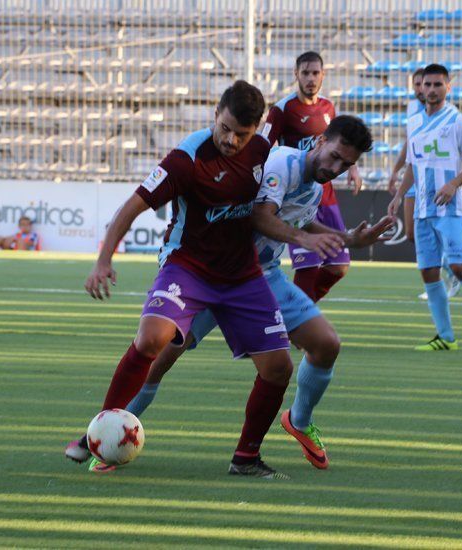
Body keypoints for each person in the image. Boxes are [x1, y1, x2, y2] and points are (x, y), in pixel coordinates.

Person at [87, 116, 393, 473]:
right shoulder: (281, 163)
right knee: (160, 359)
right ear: (321, 140)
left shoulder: (311, 184)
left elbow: (298, 220)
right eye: (335, 156)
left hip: (261, 276)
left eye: (347, 164)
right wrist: (306, 240)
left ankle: (297, 420)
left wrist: (350, 239)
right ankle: (107, 441)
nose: (337, 168)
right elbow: (262, 217)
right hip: (214, 273)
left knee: (326, 344)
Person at [65, 80, 302, 480]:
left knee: (279, 368)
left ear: (256, 128)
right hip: (187, 268)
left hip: (242, 275)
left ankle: (245, 459)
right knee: (152, 339)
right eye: (225, 128)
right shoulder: (185, 159)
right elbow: (131, 207)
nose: (231, 139)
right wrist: (102, 260)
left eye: (241, 134)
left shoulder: (263, 153)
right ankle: (99, 434)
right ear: (216, 115)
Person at [387, 64, 462, 353]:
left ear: (448, 88)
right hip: (423, 209)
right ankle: (446, 336)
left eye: (438, 84)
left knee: (459, 266)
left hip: (450, 208)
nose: (432, 89)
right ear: (420, 88)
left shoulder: (457, 121)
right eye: (427, 84)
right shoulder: (413, 122)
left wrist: (454, 184)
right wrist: (400, 195)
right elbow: (414, 164)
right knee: (428, 272)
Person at [261, 51, 362, 303]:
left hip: (325, 195)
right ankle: (299, 324)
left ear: (323, 75)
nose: (310, 78)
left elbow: (342, 142)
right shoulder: (282, 109)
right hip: (296, 196)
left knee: (339, 265)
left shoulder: (328, 107)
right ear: (296, 74)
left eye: (315, 73)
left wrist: (353, 169)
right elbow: (262, 147)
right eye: (305, 72)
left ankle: (296, 310)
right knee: (307, 265)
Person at [387, 67, 461, 301]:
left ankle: (449, 276)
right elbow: (409, 146)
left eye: (425, 84)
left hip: (434, 179)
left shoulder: (446, 113)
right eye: (418, 84)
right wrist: (396, 171)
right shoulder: (413, 109)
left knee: (432, 231)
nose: (422, 88)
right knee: (411, 233)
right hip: (414, 176)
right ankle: (449, 270)